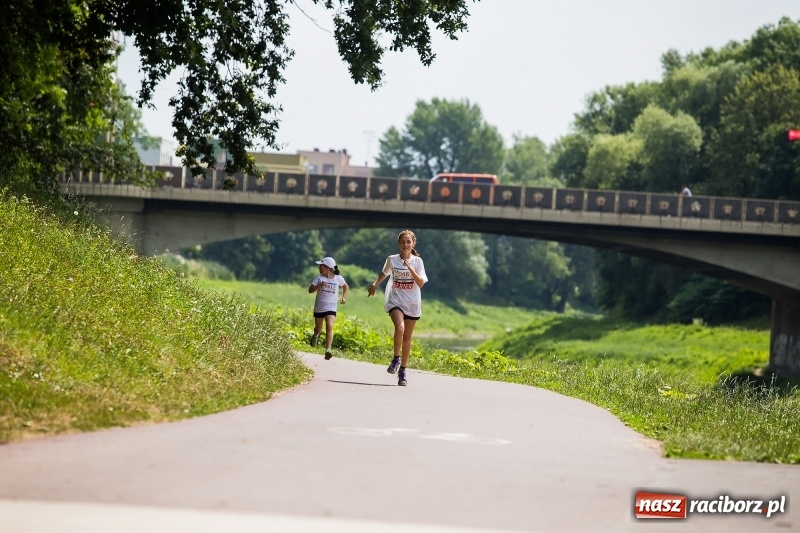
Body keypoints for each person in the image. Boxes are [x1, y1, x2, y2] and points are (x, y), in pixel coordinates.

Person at [367, 230, 428, 386]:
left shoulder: (417, 262)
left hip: (413, 304)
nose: (405, 245)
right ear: (398, 244)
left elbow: (421, 283)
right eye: (402, 242)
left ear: (413, 243)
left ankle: (402, 372)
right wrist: (375, 284)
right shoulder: (392, 259)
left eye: (408, 242)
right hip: (396, 301)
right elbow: (384, 273)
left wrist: (410, 268)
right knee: (399, 329)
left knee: (407, 339)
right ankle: (396, 359)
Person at [308, 256, 349, 360]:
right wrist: (319, 286)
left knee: (330, 325)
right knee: (318, 328)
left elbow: (345, 286)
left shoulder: (338, 278)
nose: (319, 267)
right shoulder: (319, 278)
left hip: (331, 306)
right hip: (319, 307)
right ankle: (316, 335)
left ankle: (328, 350)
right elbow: (310, 290)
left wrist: (344, 297)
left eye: (321, 265)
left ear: (327, 267)